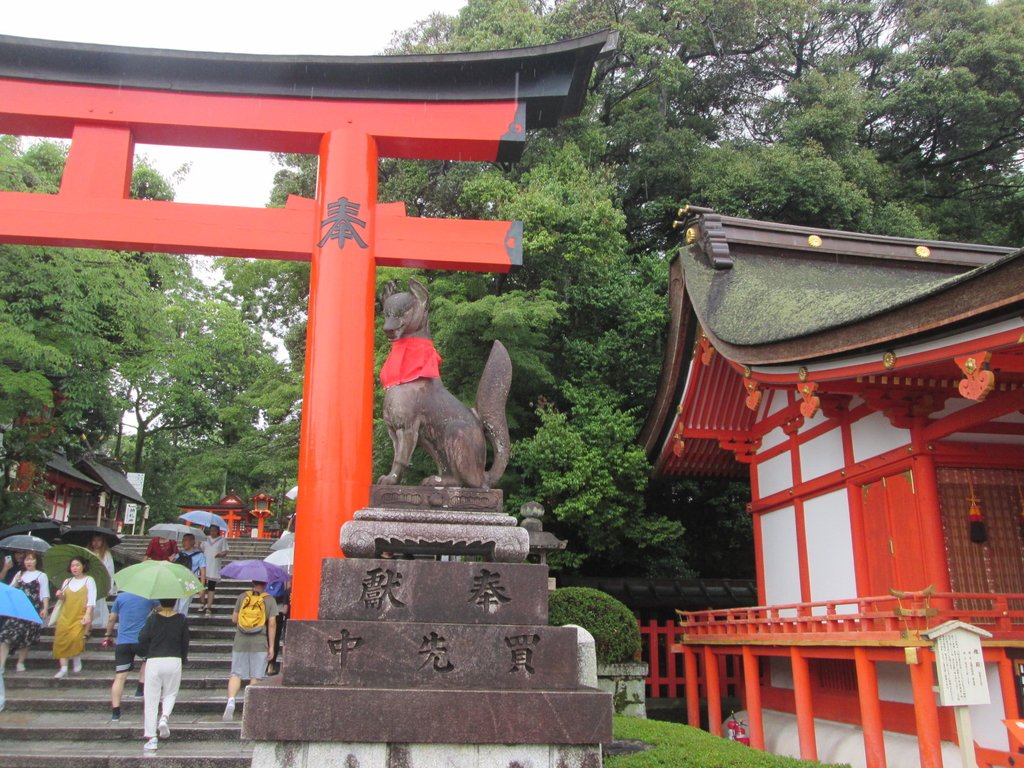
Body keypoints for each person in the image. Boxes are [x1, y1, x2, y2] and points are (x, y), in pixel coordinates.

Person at [137, 598, 189, 751]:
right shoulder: (181, 619)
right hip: (174, 659)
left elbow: (142, 638)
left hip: (154, 659)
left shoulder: (153, 618)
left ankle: (152, 737)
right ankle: (165, 717)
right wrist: (183, 659)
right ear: (174, 602)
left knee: (151, 699)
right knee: (170, 693)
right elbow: (185, 642)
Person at [222, 580, 277, 721]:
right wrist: (271, 646)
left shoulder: (242, 597)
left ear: (253, 582)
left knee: (235, 673)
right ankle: (249, 706)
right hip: (259, 642)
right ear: (265, 584)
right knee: (256, 676)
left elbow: (234, 619)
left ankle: (231, 701)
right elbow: (271, 624)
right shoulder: (269, 600)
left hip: (240, 640)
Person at [105, 591, 159, 721]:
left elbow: (112, 618)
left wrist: (108, 635)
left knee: (120, 677)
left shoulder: (121, 597)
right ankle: (140, 688)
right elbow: (161, 610)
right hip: (141, 640)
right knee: (147, 661)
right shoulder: (149, 596)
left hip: (123, 641)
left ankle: (115, 712)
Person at [0, 551, 50, 672]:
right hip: (18, 609)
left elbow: (44, 593)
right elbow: (10, 589)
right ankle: (1, 665)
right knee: (6, 634)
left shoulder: (41, 576)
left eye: (32, 559)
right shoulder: (20, 574)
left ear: (36, 561)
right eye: (27, 559)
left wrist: (45, 608)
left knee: (27, 637)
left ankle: (20, 662)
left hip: (32, 609)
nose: (29, 562)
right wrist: (16, 581)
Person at [51, 555, 97, 678]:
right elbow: (63, 598)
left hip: (79, 615)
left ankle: (76, 656)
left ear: (83, 566)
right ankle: (64, 668)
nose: (75, 568)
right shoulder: (67, 581)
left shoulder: (89, 580)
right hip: (65, 615)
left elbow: (91, 600)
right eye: (72, 565)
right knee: (61, 640)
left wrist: (88, 614)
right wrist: (60, 595)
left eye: (77, 565)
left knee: (75, 638)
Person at [88, 533, 116, 629]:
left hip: (101, 580)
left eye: (98, 540)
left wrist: (110, 587)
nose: (96, 543)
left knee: (100, 602)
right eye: (94, 540)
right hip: (90, 580)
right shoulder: (88, 553)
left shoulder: (106, 554)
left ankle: (100, 621)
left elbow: (110, 571)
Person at [173, 533, 206, 616]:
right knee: (174, 606)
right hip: (177, 582)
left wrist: (201, 587)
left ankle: (180, 624)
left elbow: (203, 571)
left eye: (186, 540)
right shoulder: (179, 555)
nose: (184, 543)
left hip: (189, 583)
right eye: (183, 541)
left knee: (183, 606)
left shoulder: (200, 555)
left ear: (192, 542)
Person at [199, 526, 229, 615]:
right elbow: (200, 548)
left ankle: (209, 606)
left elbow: (225, 551)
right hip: (204, 565)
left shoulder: (222, 540)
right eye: (211, 530)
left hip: (214, 566)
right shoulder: (206, 539)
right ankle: (202, 603)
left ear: (218, 531)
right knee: (202, 586)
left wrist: (220, 554)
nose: (213, 532)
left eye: (215, 531)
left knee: (211, 587)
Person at [264, 577, 290, 676]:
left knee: (265, 635)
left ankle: (262, 663)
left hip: (265, 607)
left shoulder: (265, 572)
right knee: (275, 637)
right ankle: (271, 665)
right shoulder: (283, 574)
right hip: (278, 607)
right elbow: (287, 590)